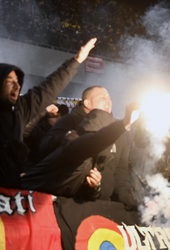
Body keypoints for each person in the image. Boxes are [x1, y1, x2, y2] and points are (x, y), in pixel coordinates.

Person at [0, 37, 97, 188]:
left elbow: (48, 88)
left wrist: (76, 61)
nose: (17, 86)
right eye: (9, 81)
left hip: (11, 195)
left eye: (18, 82)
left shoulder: (20, 109)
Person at [21, 104, 140, 200]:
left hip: (46, 207)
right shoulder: (72, 147)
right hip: (21, 199)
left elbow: (80, 195)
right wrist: (123, 124)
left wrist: (94, 187)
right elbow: (94, 141)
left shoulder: (96, 161)